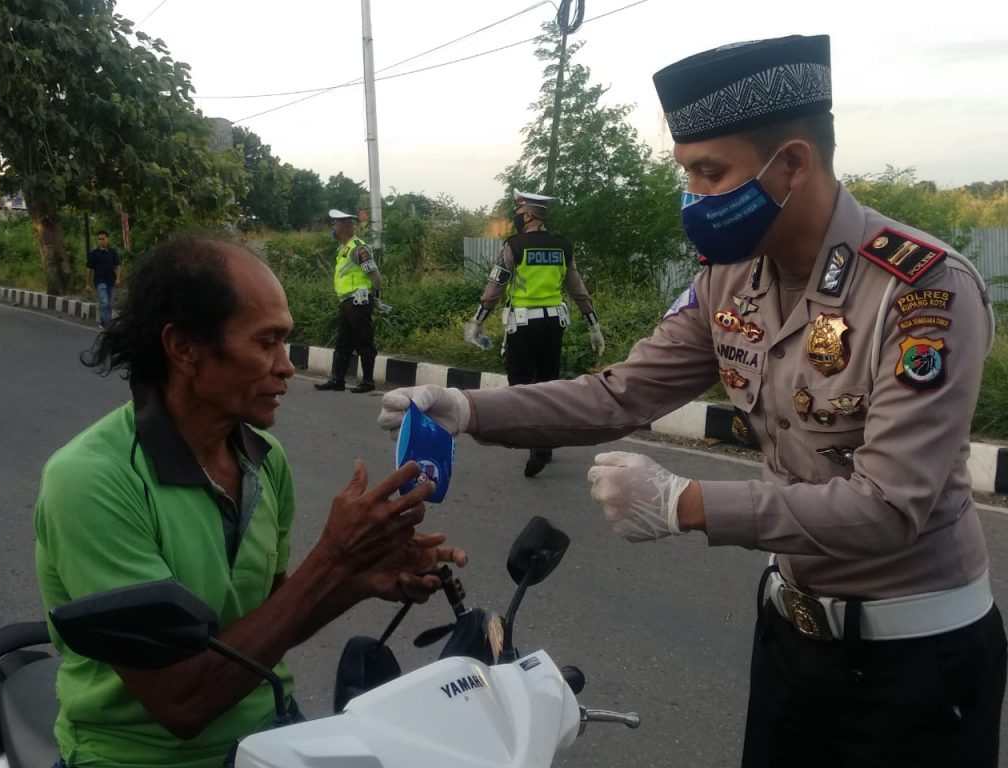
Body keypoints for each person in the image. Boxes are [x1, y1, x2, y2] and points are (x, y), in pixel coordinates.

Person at [378, 34, 1006, 767]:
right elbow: (620, 393)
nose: (694, 198)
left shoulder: (921, 290)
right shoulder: (729, 278)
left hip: (916, 661)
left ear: (793, 165)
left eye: (711, 174)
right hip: (789, 637)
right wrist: (470, 410)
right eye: (687, 174)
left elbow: (891, 506)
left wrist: (685, 502)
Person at [36, 236, 466, 768]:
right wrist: (334, 558)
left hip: (269, 738)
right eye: (266, 343)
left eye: (286, 344)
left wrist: (357, 578)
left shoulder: (263, 457)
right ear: (184, 347)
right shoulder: (93, 480)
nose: (286, 367)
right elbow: (182, 702)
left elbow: (266, 624)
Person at [463, 190, 605, 478]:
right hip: (554, 325)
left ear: (527, 215)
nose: (517, 217)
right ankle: (547, 443)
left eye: (518, 212)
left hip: (524, 325)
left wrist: (477, 322)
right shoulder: (562, 246)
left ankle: (537, 445)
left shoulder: (514, 246)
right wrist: (593, 325)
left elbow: (495, 287)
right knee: (548, 385)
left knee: (522, 388)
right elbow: (577, 288)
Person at [315, 209, 384, 394]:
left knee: (364, 341)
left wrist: (376, 300)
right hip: (347, 301)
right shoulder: (344, 249)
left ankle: (368, 381)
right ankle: (337, 380)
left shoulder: (358, 249)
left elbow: (376, 276)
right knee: (343, 343)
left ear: (343, 227)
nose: (333, 229)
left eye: (334, 225)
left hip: (359, 301)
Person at [86, 230, 121, 329]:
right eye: (99, 239)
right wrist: (87, 283)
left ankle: (102, 321)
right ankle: (108, 325)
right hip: (99, 281)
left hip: (111, 281)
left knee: (109, 304)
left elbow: (118, 266)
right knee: (104, 302)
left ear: (107, 239)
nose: (101, 241)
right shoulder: (94, 254)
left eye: (103, 239)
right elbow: (89, 268)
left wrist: (118, 278)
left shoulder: (113, 252)